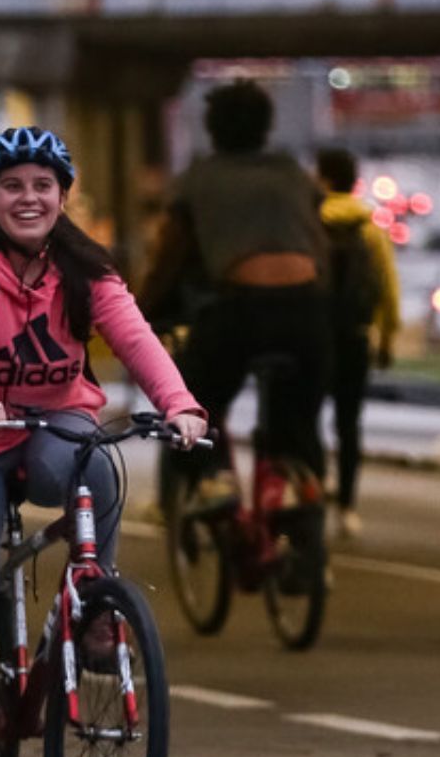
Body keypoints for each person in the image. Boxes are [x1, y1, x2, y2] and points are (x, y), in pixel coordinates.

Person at [0, 127, 207, 757]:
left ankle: (95, 610)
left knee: (95, 459)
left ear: (63, 196)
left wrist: (182, 407)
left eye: (42, 185)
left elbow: (135, 338)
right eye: (12, 185)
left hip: (50, 426)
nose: (28, 197)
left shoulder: (86, 271)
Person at [142, 81, 331, 528]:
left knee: (189, 402)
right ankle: (298, 499)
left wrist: (142, 312)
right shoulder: (293, 175)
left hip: (242, 311)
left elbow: (170, 257)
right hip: (309, 311)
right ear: (267, 127)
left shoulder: (201, 178)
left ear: (212, 129)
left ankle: (212, 477)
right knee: (298, 416)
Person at [314, 148, 401, 539]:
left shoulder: (309, 222)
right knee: (349, 425)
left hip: (313, 338)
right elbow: (388, 289)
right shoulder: (370, 228)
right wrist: (386, 337)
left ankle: (310, 491)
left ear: (324, 179)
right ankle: (347, 506)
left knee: (305, 418)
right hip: (354, 336)